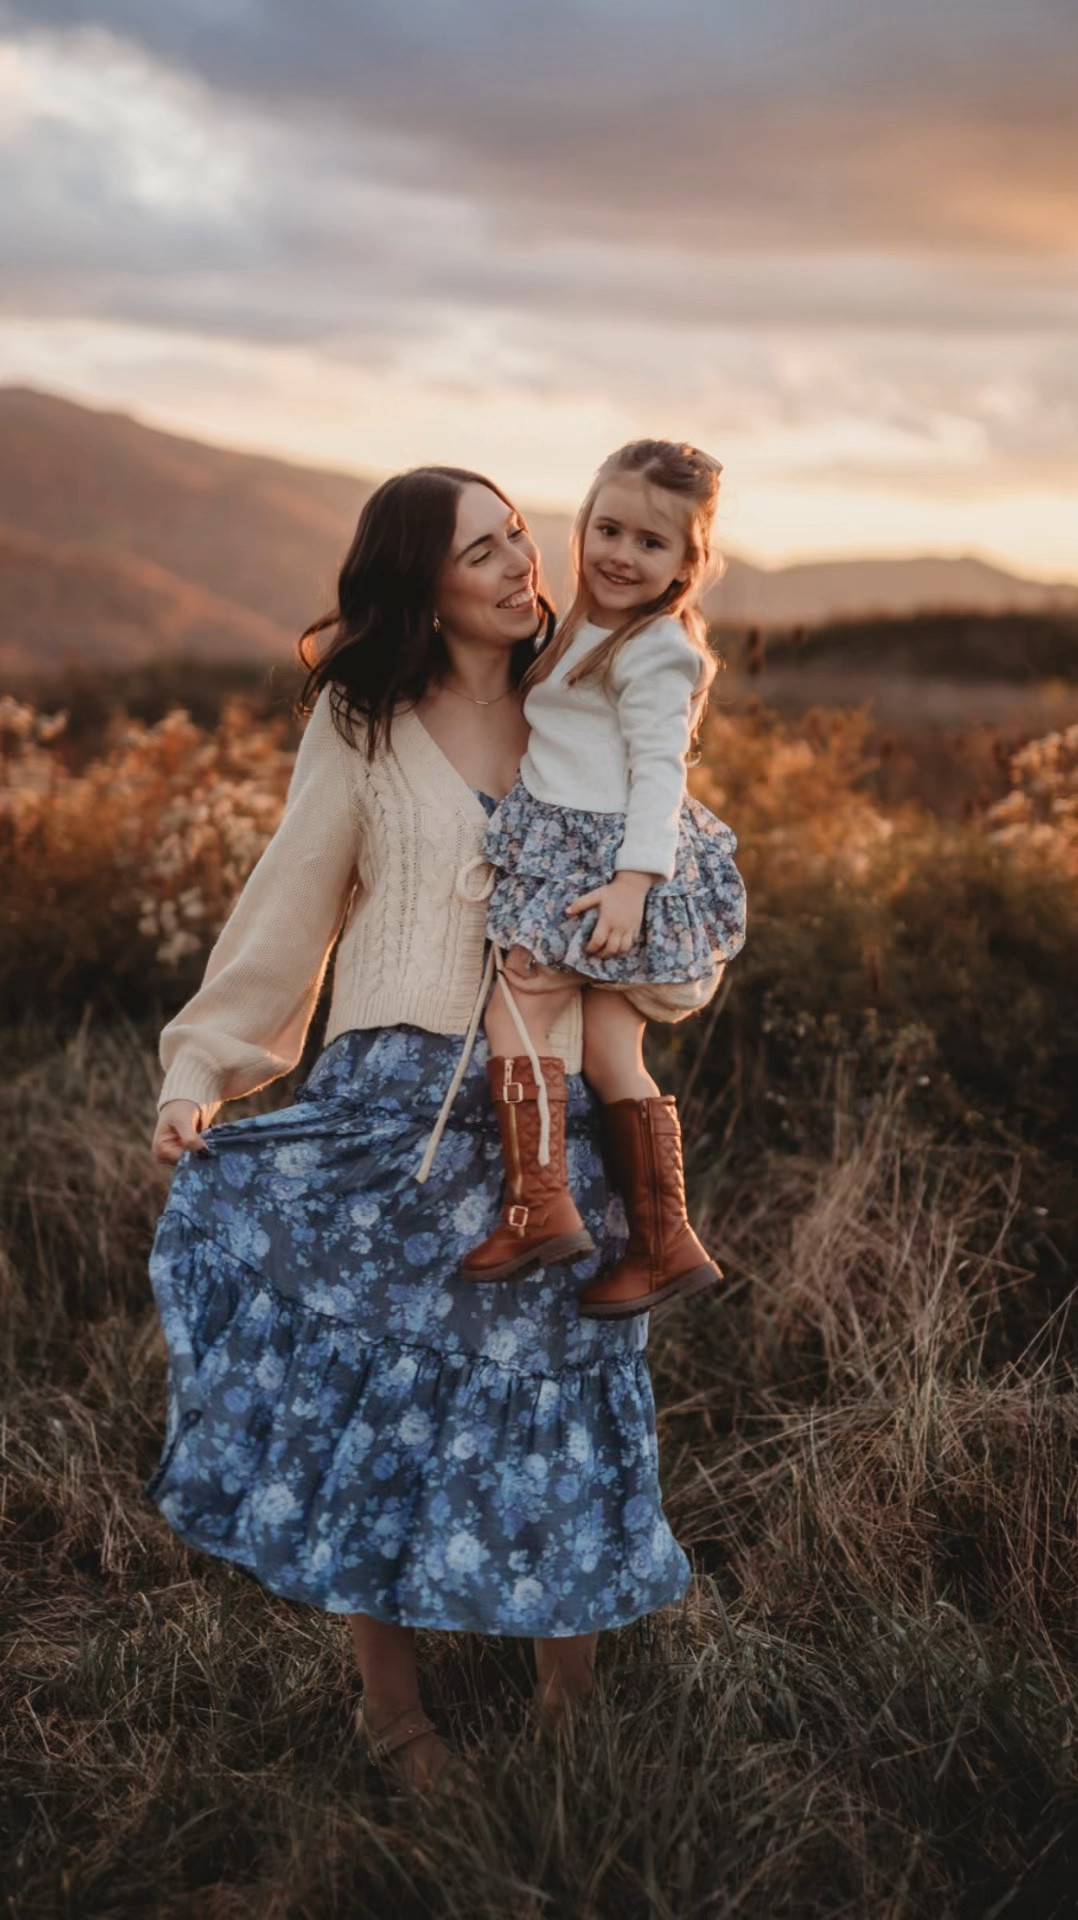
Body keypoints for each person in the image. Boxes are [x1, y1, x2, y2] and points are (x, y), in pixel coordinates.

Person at [146, 466, 703, 1796]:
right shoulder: (363, 720)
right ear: (421, 582)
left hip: (547, 1114)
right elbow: (295, 899)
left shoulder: (601, 693)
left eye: (519, 535)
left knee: (561, 1395)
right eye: (480, 551)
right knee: (378, 1403)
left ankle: (568, 1705)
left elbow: (675, 900)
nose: (521, 565)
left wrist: (645, 952)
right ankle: (391, 1716)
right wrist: (204, 1063)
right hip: (387, 1106)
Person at [459, 441, 746, 1320]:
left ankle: (537, 1205)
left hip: (609, 860)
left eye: (651, 544)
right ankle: (664, 1245)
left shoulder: (657, 649)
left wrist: (632, 884)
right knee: (606, 1050)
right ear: (581, 529)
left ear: (689, 565)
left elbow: (662, 772)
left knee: (520, 999)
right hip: (586, 846)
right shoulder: (580, 629)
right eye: (608, 530)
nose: (621, 554)